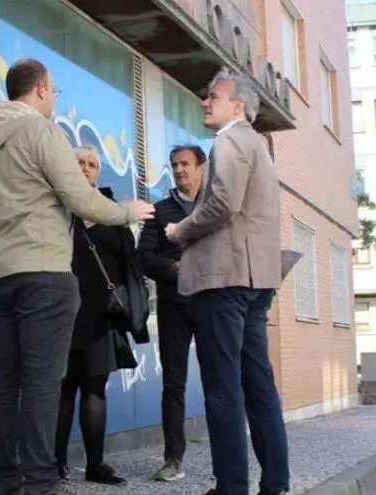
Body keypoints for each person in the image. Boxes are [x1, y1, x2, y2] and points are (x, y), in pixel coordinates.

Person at [0, 59, 155, 495]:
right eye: (53, 90)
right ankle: (40, 482)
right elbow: (80, 198)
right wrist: (127, 211)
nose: (53, 98)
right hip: (45, 274)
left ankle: (6, 480)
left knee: (4, 379)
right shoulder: (43, 132)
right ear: (41, 90)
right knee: (43, 382)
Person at [164, 69, 289, 495]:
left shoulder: (230, 140)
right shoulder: (259, 146)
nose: (205, 101)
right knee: (258, 383)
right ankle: (275, 482)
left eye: (213, 96)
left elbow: (222, 204)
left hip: (225, 282)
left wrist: (181, 230)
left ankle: (232, 486)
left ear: (238, 106)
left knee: (222, 389)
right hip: (256, 282)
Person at [54, 145, 146, 487]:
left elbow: (130, 262)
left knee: (95, 389)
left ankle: (95, 465)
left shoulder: (112, 211)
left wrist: (127, 300)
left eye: (92, 164)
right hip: (64, 313)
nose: (86, 168)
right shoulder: (59, 208)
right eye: (79, 162)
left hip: (102, 315)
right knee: (63, 390)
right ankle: (55, 464)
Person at [137, 144, 206, 483]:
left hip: (211, 304)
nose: (179, 170)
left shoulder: (214, 205)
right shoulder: (159, 210)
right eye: (174, 164)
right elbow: (143, 257)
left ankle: (228, 460)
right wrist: (174, 268)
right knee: (173, 384)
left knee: (219, 380)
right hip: (173, 304)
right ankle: (173, 459)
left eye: (185, 164)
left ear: (201, 167)